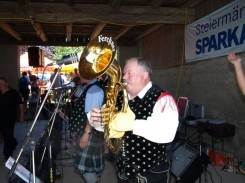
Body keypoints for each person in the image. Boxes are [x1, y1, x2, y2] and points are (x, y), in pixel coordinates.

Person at [89, 57, 179, 183]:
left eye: (129, 73)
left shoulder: (163, 98)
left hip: (150, 173)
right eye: (124, 74)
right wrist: (97, 120)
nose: (124, 77)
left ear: (145, 75)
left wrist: (131, 124)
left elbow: (167, 134)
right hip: (122, 169)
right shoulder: (119, 96)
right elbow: (105, 125)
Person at [68, 77, 106, 183]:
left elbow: (93, 114)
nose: (79, 75)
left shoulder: (94, 90)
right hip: (94, 130)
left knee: (82, 166)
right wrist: (78, 86)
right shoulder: (90, 87)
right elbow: (79, 94)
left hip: (90, 131)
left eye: (81, 73)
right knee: (94, 163)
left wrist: (86, 133)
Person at [0, 77, 25, 160]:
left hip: (10, 117)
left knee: (7, 134)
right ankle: (13, 142)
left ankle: (7, 154)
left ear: (6, 84)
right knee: (6, 133)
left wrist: (21, 114)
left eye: (2, 83)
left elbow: (20, 103)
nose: (0, 85)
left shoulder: (14, 93)